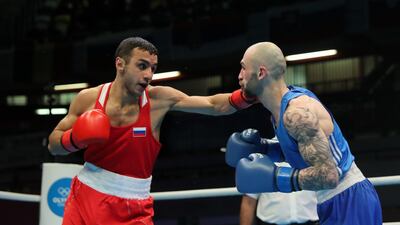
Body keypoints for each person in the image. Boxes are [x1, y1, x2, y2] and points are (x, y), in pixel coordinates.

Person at [47, 37, 257, 225]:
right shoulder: (89, 99)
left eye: (153, 68)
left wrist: (247, 96)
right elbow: (54, 144)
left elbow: (212, 104)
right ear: (120, 64)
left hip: (133, 208)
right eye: (142, 66)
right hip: (85, 197)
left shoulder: (158, 99)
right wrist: (74, 139)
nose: (148, 75)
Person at [226, 42, 382, 225]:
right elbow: (304, 153)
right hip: (334, 201)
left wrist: (276, 178)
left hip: (348, 199)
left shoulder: (296, 114)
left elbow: (328, 176)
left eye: (243, 68)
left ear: (261, 73)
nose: (239, 76)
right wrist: (267, 149)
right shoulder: (281, 112)